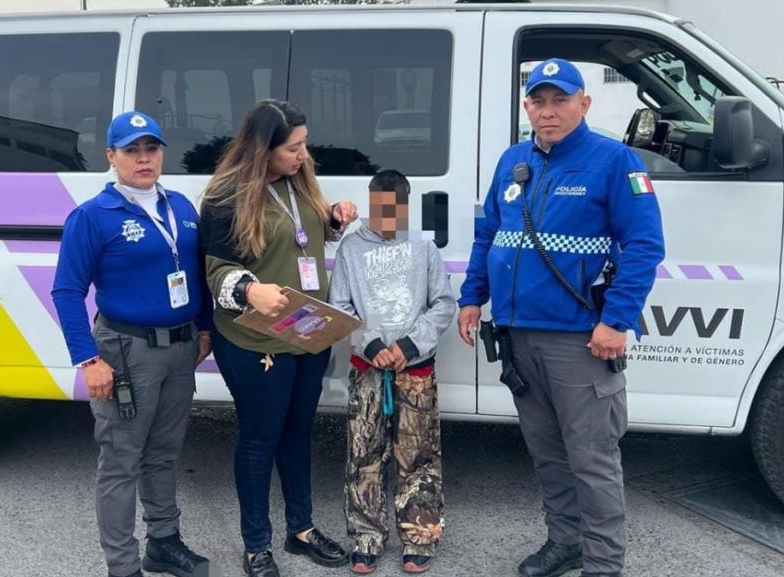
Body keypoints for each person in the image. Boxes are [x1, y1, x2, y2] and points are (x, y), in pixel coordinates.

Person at [457, 59, 665, 577]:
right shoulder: (512, 161)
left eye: (560, 100)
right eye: (538, 101)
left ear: (584, 104)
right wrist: (471, 297)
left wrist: (616, 321)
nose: (547, 112)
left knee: (592, 461)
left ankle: (601, 564)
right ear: (527, 106)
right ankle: (566, 542)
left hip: (581, 340)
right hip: (519, 337)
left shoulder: (615, 162)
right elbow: (490, 236)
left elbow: (644, 247)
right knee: (547, 454)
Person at [199, 99, 358, 577]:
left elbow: (302, 239)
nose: (304, 155)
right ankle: (256, 545)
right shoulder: (226, 197)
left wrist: (332, 218)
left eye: (304, 144)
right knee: (259, 439)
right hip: (255, 341)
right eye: (294, 147)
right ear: (262, 148)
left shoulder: (299, 183)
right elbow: (216, 272)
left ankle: (301, 529)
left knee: (297, 432)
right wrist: (249, 289)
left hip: (307, 333)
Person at [52, 111, 213, 577]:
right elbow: (66, 291)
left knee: (164, 453)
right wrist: (88, 359)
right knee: (121, 461)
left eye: (151, 149)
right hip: (125, 352)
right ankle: (123, 566)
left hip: (180, 350)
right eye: (131, 150)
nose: (143, 159)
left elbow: (197, 274)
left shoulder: (181, 206)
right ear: (112, 156)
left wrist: (203, 328)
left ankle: (163, 542)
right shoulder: (92, 217)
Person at [328, 169, 456, 574]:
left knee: (417, 457)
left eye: (393, 211)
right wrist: (372, 344)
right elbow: (341, 305)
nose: (384, 220)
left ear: (405, 207)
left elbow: (443, 304)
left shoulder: (423, 248)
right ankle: (366, 535)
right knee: (364, 454)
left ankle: (419, 535)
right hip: (368, 370)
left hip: (414, 372)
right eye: (378, 210)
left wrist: (409, 345)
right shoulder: (351, 248)